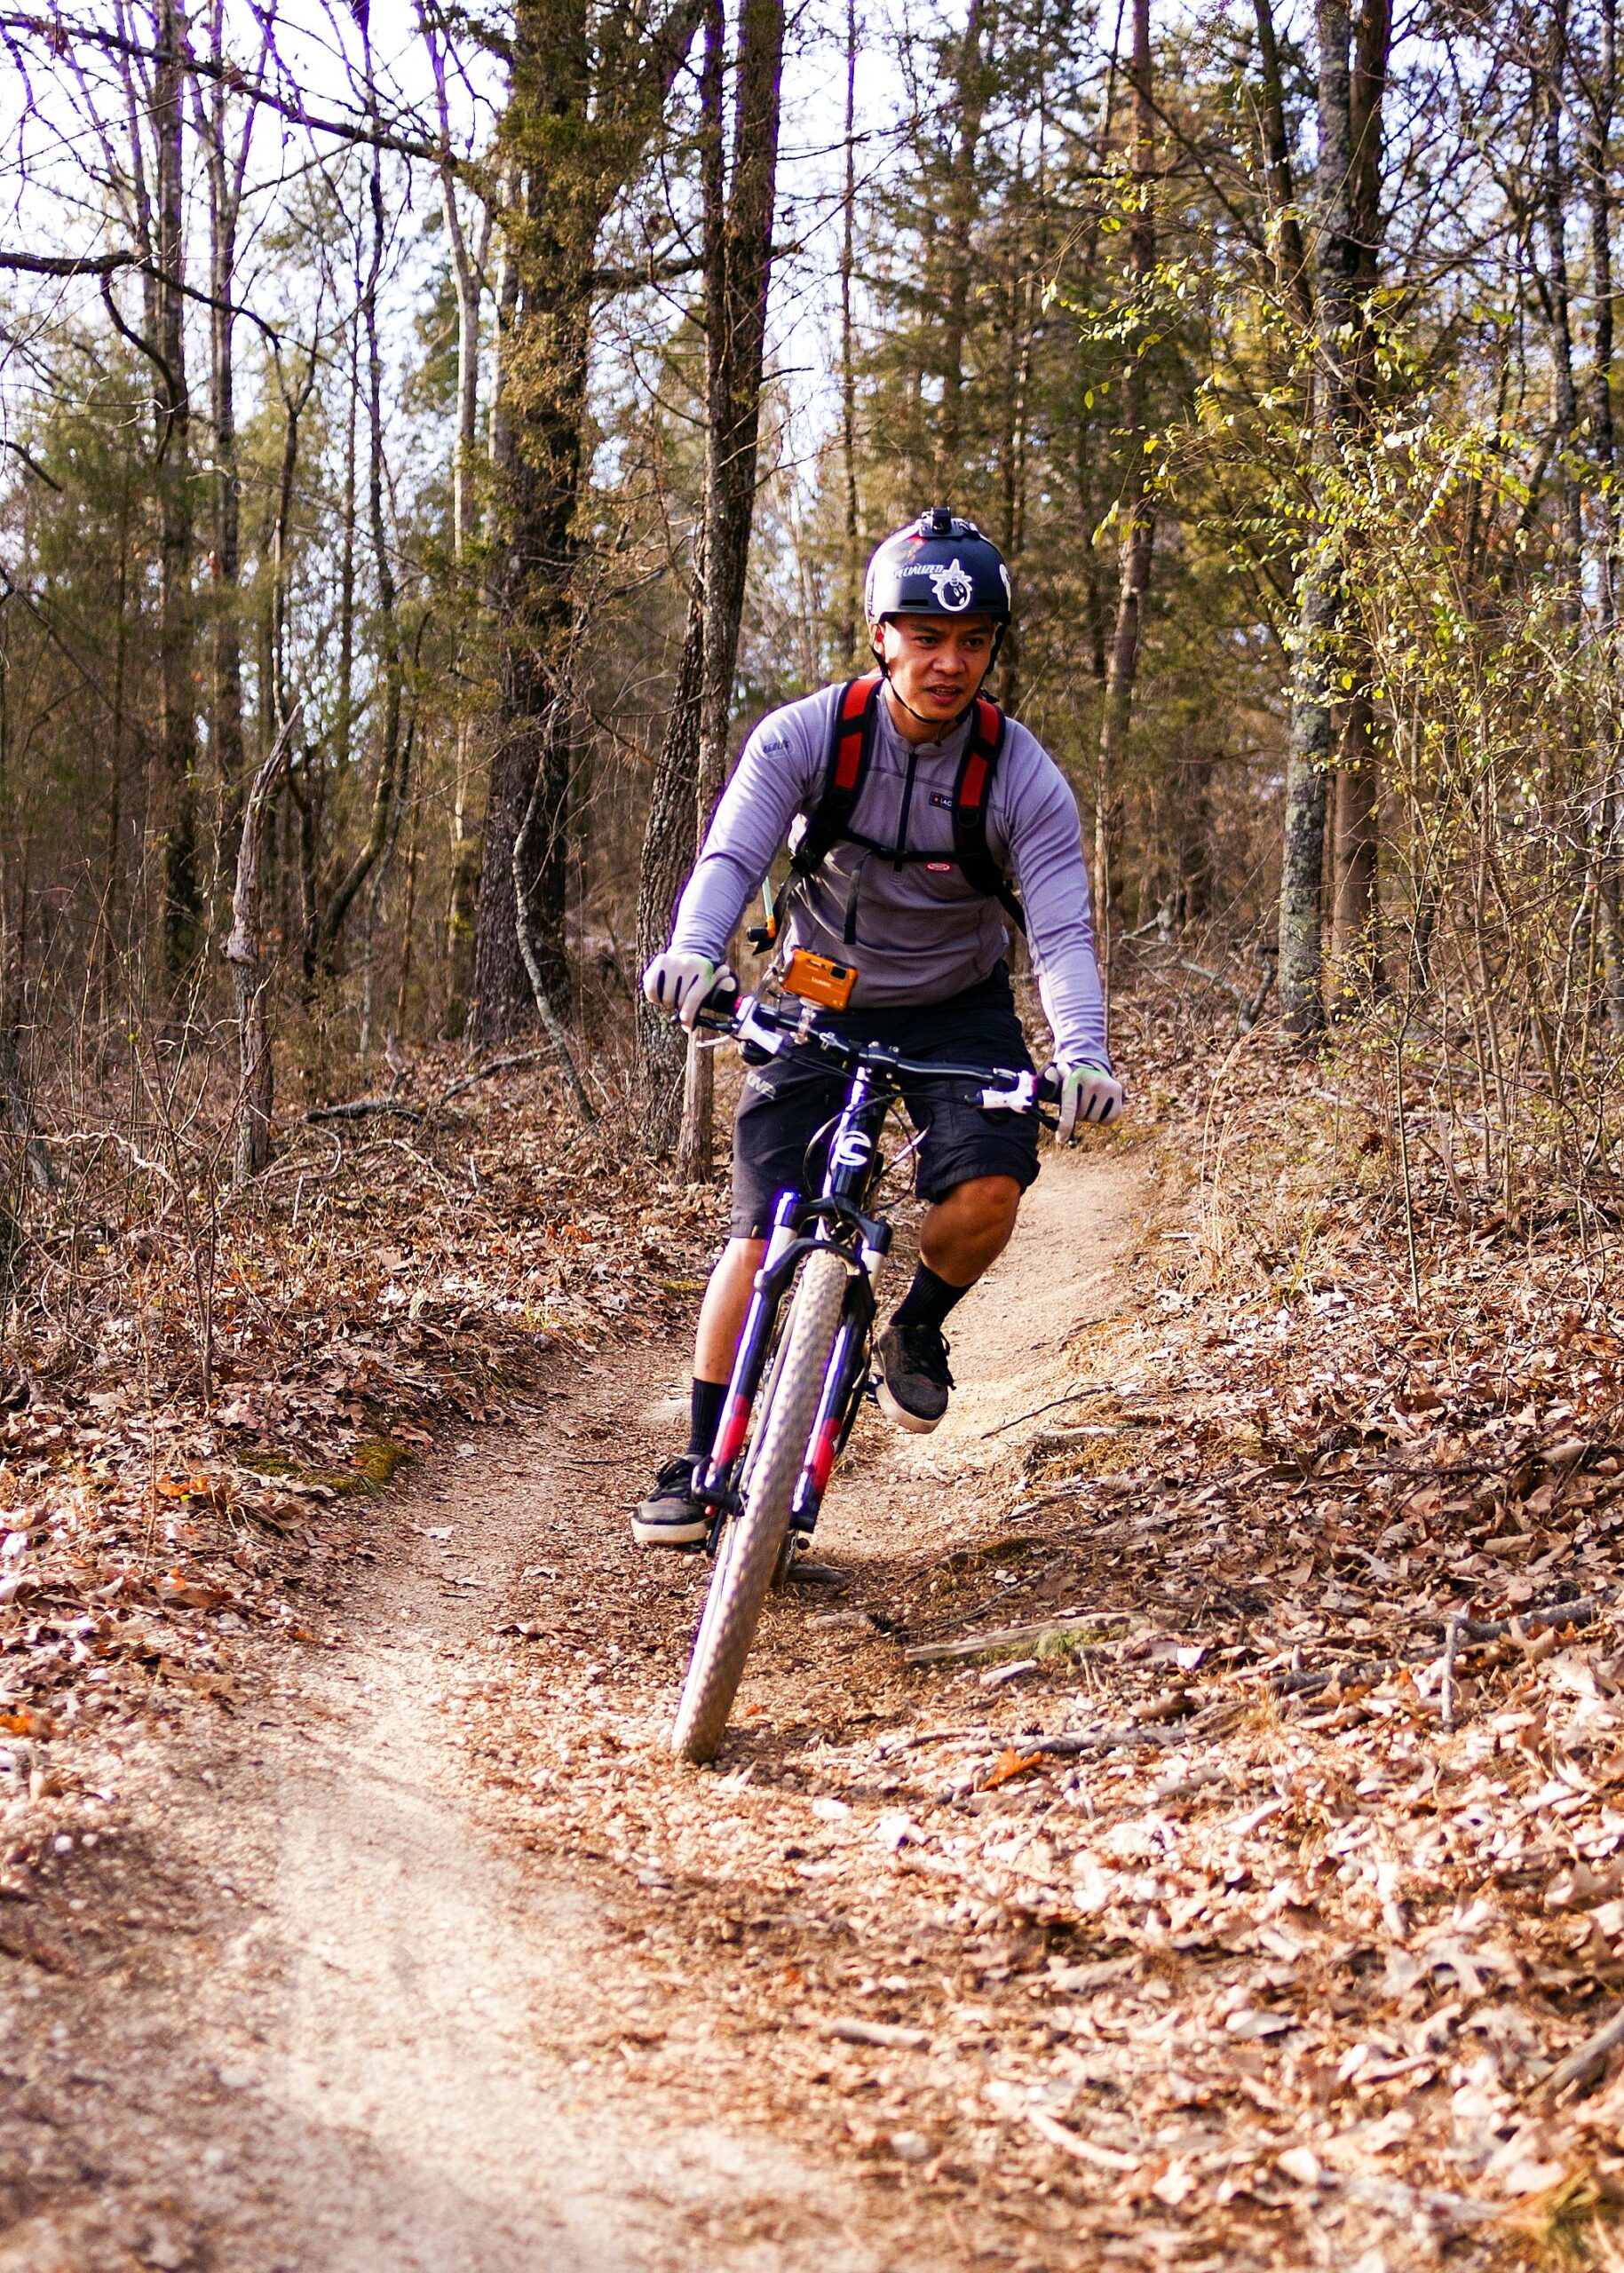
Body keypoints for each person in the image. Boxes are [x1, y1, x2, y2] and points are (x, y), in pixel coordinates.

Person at [634, 507, 1123, 1547]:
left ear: (992, 648)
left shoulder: (1022, 776)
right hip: (820, 991)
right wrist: (694, 949)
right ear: (880, 635)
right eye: (926, 636)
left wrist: (1080, 1051)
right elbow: (732, 857)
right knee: (760, 1229)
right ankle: (700, 1453)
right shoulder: (807, 736)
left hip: (958, 1003)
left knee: (991, 1181)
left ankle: (914, 1328)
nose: (949, 663)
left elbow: (1062, 930)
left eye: (973, 642)